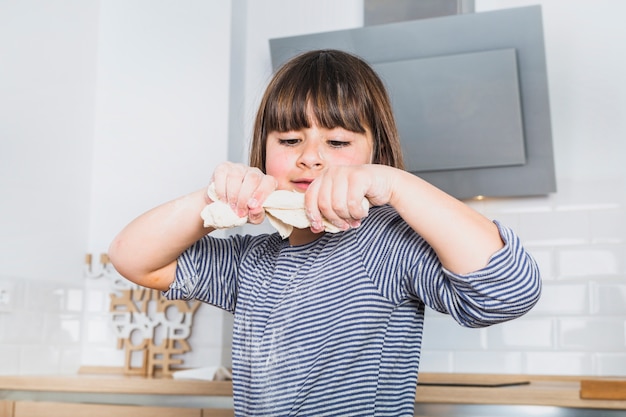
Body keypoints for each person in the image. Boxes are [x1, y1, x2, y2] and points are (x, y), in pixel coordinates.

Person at [109, 49, 541, 417]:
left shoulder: (388, 244)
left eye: (337, 143)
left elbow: (507, 292)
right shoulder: (251, 261)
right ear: (263, 152)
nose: (311, 158)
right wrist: (213, 198)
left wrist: (397, 185)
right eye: (289, 140)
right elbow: (132, 258)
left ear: (377, 156)